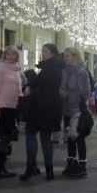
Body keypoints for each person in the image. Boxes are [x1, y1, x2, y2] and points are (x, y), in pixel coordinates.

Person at [20, 43, 64, 181]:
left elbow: (38, 82)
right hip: (50, 108)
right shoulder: (57, 66)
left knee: (31, 135)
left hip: (40, 108)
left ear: (52, 53)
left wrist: (29, 83)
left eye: (45, 51)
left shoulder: (50, 67)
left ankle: (31, 167)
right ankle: (49, 170)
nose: (42, 53)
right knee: (46, 139)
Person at [0, 46, 23, 178]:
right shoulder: (0, 68)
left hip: (12, 108)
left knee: (6, 139)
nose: (10, 56)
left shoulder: (16, 70)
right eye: (8, 54)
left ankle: (1, 167)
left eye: (13, 54)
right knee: (1, 139)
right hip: (2, 107)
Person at [60, 47, 91, 178]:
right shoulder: (65, 71)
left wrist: (72, 95)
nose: (65, 58)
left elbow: (86, 93)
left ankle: (82, 167)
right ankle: (71, 164)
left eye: (68, 56)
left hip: (77, 109)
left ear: (75, 56)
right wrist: (62, 93)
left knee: (79, 138)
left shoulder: (81, 72)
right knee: (70, 138)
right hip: (66, 108)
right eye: (65, 56)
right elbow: (61, 87)